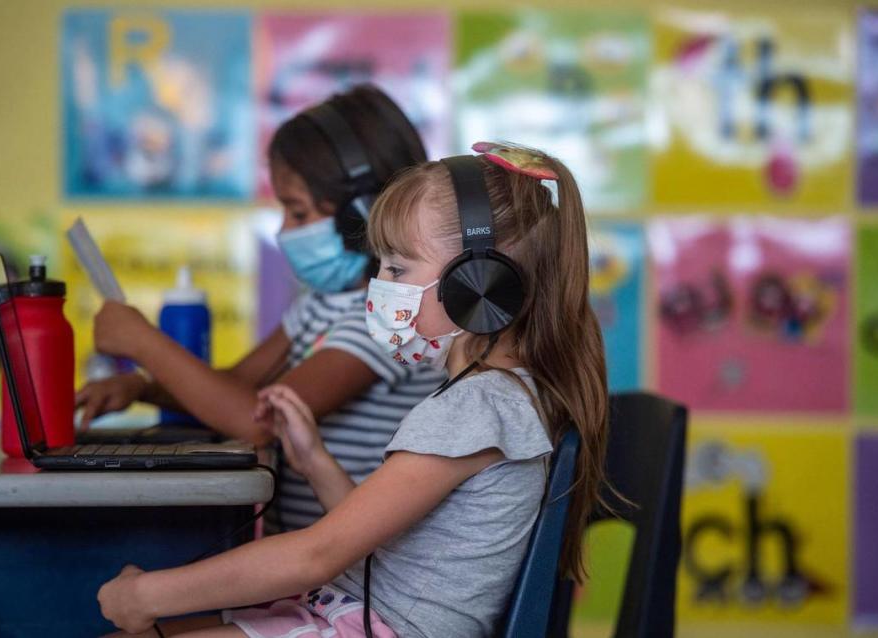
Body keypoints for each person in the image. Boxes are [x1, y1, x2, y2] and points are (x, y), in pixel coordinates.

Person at [97, 143, 610, 638]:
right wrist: (316, 461)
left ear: (477, 282)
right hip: (357, 613)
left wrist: (147, 595)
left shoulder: (475, 408)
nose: (378, 284)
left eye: (397, 268)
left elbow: (314, 557)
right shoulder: (501, 397)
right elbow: (387, 548)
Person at [78, 85, 446, 532]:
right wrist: (142, 387)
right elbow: (235, 385)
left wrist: (143, 342)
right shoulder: (321, 306)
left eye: (297, 212)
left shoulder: (387, 320)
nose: (282, 231)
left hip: (344, 574)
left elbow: (259, 420)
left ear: (361, 214)